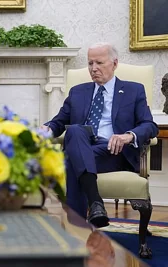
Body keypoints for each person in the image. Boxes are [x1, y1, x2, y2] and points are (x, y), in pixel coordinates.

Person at [41, 42, 158, 228]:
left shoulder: (133, 90)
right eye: (90, 63)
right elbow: (59, 122)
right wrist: (45, 130)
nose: (93, 68)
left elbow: (150, 126)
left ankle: (76, 228)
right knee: (76, 130)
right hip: (84, 145)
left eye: (99, 63)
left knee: (70, 159)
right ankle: (95, 204)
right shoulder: (78, 92)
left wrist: (128, 136)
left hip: (113, 152)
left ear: (114, 63)